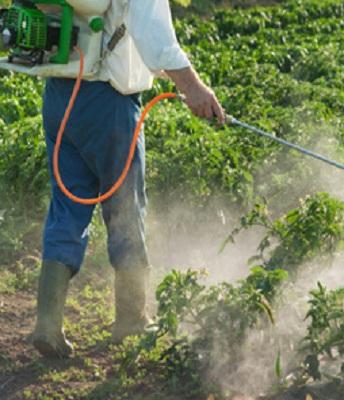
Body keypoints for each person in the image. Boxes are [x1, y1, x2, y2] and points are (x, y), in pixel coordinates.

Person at [30, 0, 225, 358]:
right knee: (125, 208)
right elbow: (157, 39)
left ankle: (47, 324)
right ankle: (132, 318)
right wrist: (194, 88)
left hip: (59, 97)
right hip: (109, 104)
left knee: (66, 207)